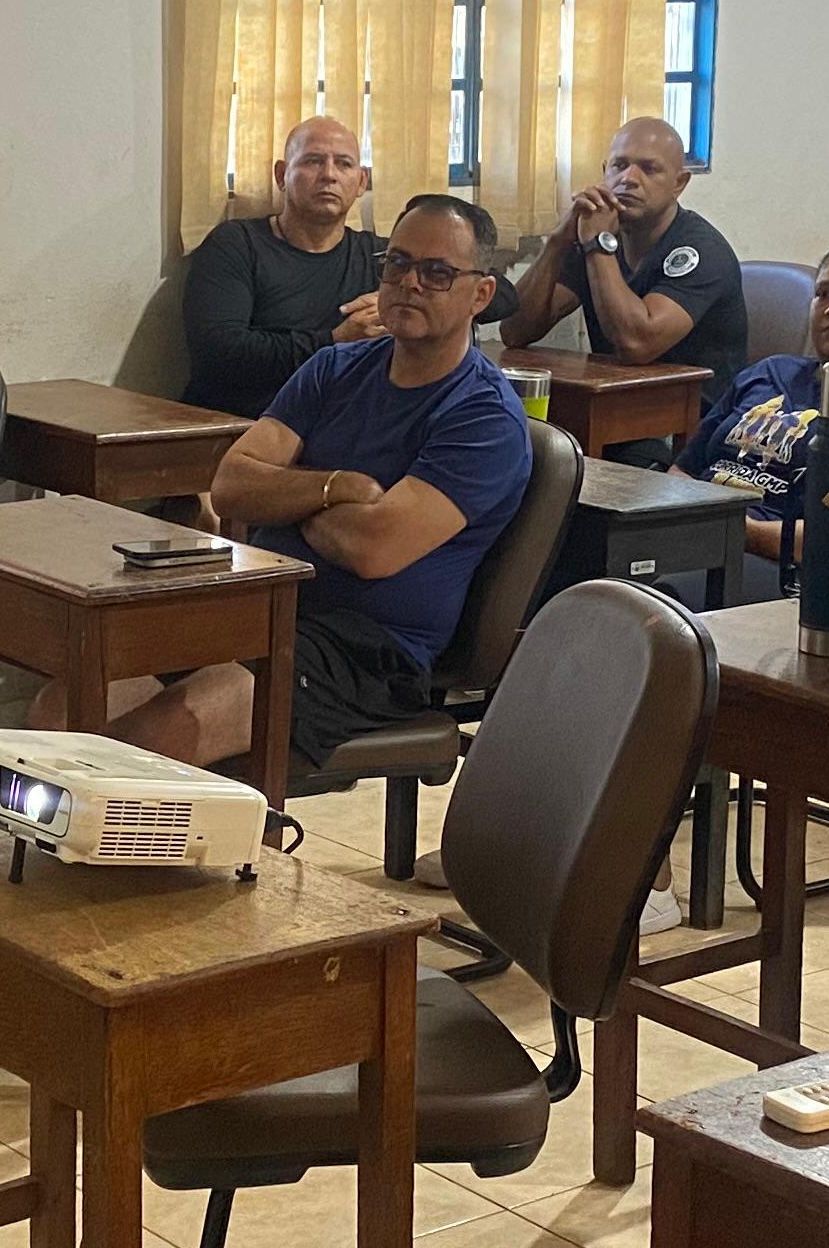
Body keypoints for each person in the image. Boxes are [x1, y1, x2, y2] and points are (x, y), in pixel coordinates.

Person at [87, 193, 530, 777]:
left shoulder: (483, 416)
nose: (409, 284)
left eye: (437, 273)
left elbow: (374, 549)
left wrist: (288, 497)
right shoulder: (334, 368)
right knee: (73, 698)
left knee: (163, 732)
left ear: (481, 294)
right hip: (267, 603)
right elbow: (231, 486)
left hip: (368, 651)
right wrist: (338, 488)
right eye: (396, 263)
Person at [498, 114, 750, 411]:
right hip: (615, 407)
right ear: (605, 172)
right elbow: (515, 332)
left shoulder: (702, 250)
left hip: (689, 426)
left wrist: (597, 245)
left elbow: (637, 344)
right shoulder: (597, 234)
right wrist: (557, 242)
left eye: (648, 169)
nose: (628, 179)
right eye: (619, 165)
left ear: (679, 183)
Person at [686, 240, 829, 568]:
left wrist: (732, 530)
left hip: (775, 565)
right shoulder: (770, 370)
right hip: (693, 536)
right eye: (823, 294)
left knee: (650, 602)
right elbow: (684, 468)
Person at [181, 115, 386, 414]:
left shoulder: (380, 256)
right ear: (281, 175)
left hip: (335, 429)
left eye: (344, 164)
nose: (329, 175)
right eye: (313, 161)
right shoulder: (237, 244)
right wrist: (335, 340)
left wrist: (397, 306)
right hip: (235, 427)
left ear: (361, 182)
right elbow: (218, 353)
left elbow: (472, 293)